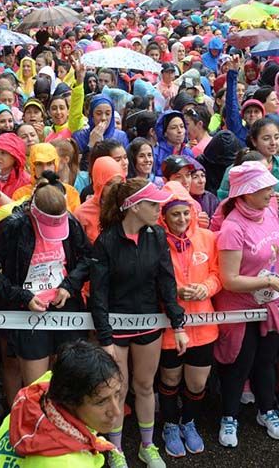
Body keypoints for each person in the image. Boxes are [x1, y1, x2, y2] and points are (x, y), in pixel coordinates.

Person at [91, 178, 187, 468]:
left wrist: (178, 325)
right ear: (134, 207)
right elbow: (98, 294)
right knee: (117, 390)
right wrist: (105, 339)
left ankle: (148, 445)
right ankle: (116, 449)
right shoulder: (106, 241)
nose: (159, 208)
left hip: (148, 324)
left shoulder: (157, 235)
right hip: (116, 329)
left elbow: (166, 282)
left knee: (145, 386)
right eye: (153, 203)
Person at [0, 173, 92, 384]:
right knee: (37, 386)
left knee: (66, 379)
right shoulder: (12, 226)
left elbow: (88, 257)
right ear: (33, 213)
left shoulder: (70, 222)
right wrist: (21, 296)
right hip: (28, 310)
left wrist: (70, 285)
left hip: (64, 306)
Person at [214, 161, 279, 449]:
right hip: (239, 308)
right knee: (239, 363)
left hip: (270, 303)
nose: (272, 192)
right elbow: (229, 279)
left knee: (266, 361)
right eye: (265, 188)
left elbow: (276, 251)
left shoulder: (270, 211)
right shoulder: (232, 227)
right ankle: (229, 416)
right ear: (246, 193)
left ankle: (267, 410)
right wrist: (269, 282)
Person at [0, 340, 124, 467]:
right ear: (69, 401)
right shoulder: (66, 464)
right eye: (101, 402)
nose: (117, 411)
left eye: (117, 394)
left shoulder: (41, 392)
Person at [157, 184, 220, 458]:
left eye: (186, 213)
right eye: (175, 215)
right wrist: (174, 292)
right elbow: (150, 282)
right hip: (170, 325)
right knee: (170, 378)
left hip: (203, 325)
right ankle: (170, 424)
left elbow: (218, 273)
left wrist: (207, 287)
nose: (182, 219)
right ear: (164, 217)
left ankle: (189, 422)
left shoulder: (207, 238)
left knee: (197, 383)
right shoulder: (156, 242)